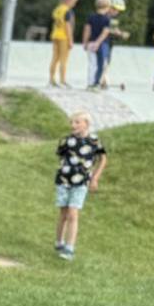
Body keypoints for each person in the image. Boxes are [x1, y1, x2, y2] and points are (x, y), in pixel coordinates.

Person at [54, 110, 107, 261]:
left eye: (77, 122)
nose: (73, 125)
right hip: (63, 181)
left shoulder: (94, 141)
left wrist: (95, 178)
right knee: (63, 214)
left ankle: (69, 248)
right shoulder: (66, 140)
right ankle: (59, 242)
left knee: (73, 213)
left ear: (86, 124)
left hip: (81, 183)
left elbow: (103, 159)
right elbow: (61, 157)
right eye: (72, 122)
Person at [83, 0, 119, 90]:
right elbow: (105, 32)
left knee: (92, 64)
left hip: (91, 43)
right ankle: (96, 83)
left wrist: (85, 42)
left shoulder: (91, 17)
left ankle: (90, 83)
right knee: (102, 64)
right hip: (102, 44)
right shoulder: (107, 19)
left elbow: (87, 30)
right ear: (108, 6)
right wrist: (98, 42)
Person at [50, 0, 79, 88]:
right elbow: (68, 26)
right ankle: (62, 81)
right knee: (63, 60)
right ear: (68, 0)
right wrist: (70, 40)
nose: (74, 4)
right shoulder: (68, 11)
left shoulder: (57, 9)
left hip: (55, 35)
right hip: (64, 37)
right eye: (74, 2)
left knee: (54, 58)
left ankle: (51, 80)